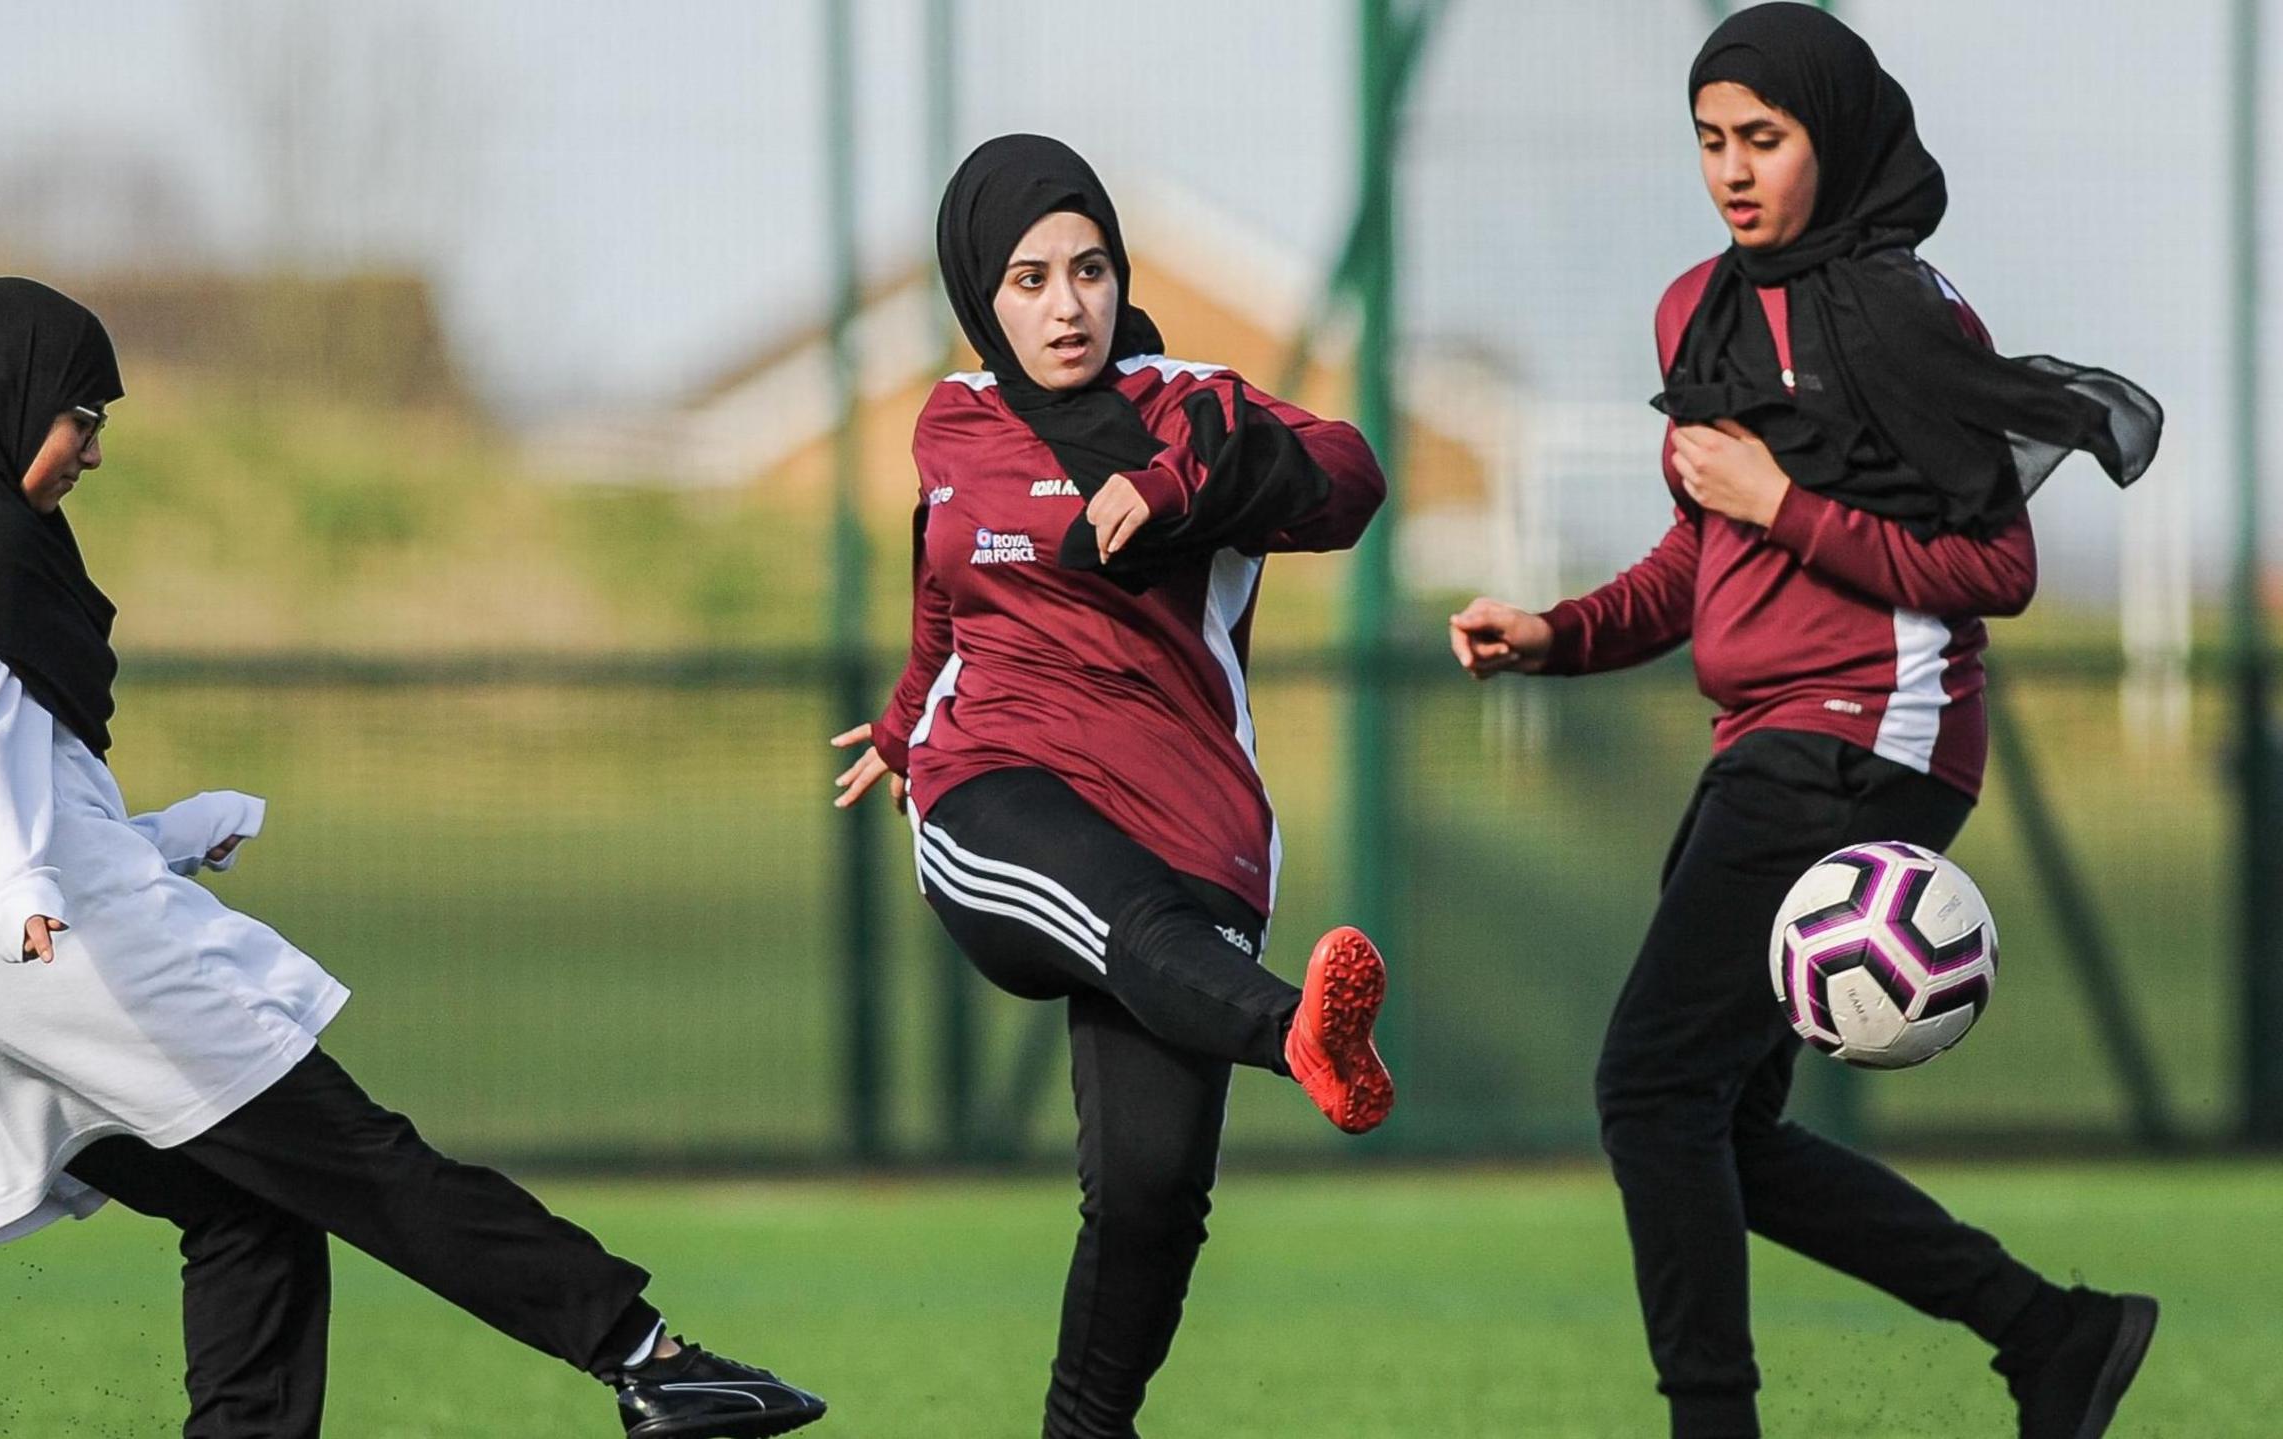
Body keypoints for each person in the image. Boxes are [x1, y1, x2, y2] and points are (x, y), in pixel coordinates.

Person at [0, 277, 827, 1439]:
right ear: (5, 398)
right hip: (49, 949)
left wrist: (165, 835)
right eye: (79, 416)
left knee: (249, 1210)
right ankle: (650, 1357)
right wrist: (22, 885)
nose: (91, 449)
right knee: (361, 1157)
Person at [1448, 9, 2163, 1439]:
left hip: (1868, 736)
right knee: (1716, 1120)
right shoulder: (1695, 311)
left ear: (1832, 139)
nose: (1731, 169)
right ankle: (2052, 1330)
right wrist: (1556, 633)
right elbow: (1698, 561)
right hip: (1764, 744)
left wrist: (1788, 504)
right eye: (1710, 141)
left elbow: (1993, 570)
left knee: (1650, 1087)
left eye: (1762, 140)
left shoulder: (1905, 311)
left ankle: (1717, 1420)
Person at [829, 134, 1393, 1439]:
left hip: (1192, 819)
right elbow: (940, 589)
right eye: (1028, 278)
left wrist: (1176, 480)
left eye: (1088, 269)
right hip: (996, 784)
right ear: (982, 290)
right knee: (1128, 921)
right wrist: (911, 722)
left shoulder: (1195, 403)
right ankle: (1293, 1027)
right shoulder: (948, 421)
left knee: (1147, 1192)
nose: (1065, 303)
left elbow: (1351, 476)